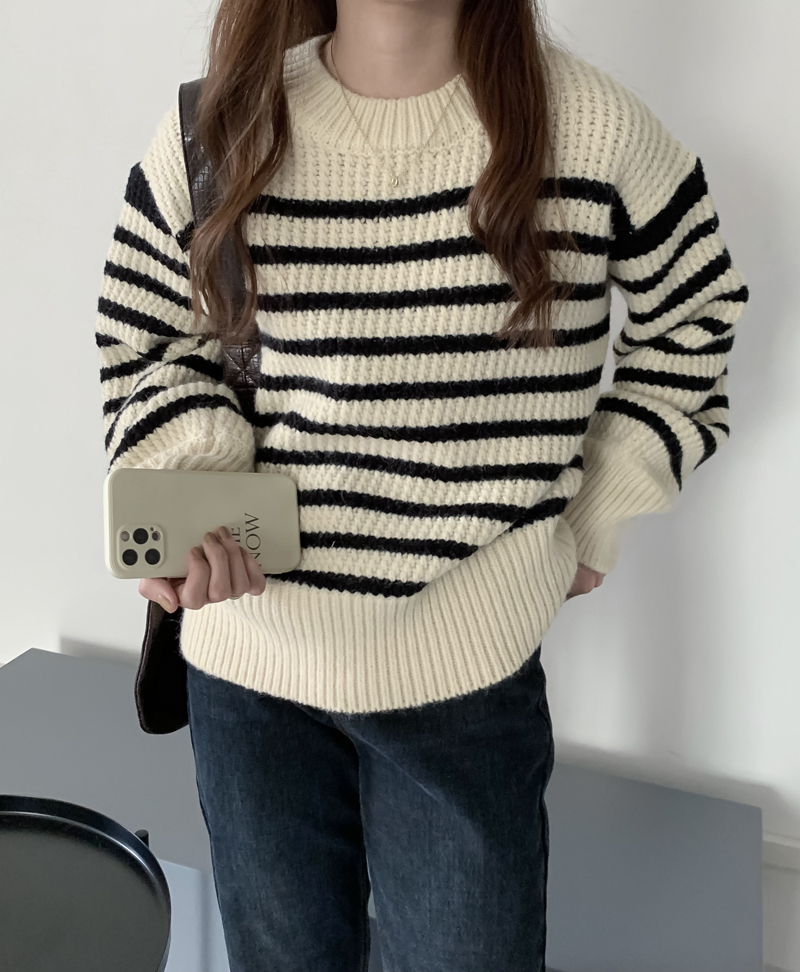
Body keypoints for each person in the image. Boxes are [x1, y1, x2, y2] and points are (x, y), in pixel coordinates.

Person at [94, 1, 749, 969]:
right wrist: (185, 484)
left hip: (463, 681)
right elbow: (147, 339)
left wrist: (596, 512)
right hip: (248, 671)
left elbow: (695, 321)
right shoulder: (221, 125)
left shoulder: (594, 129)